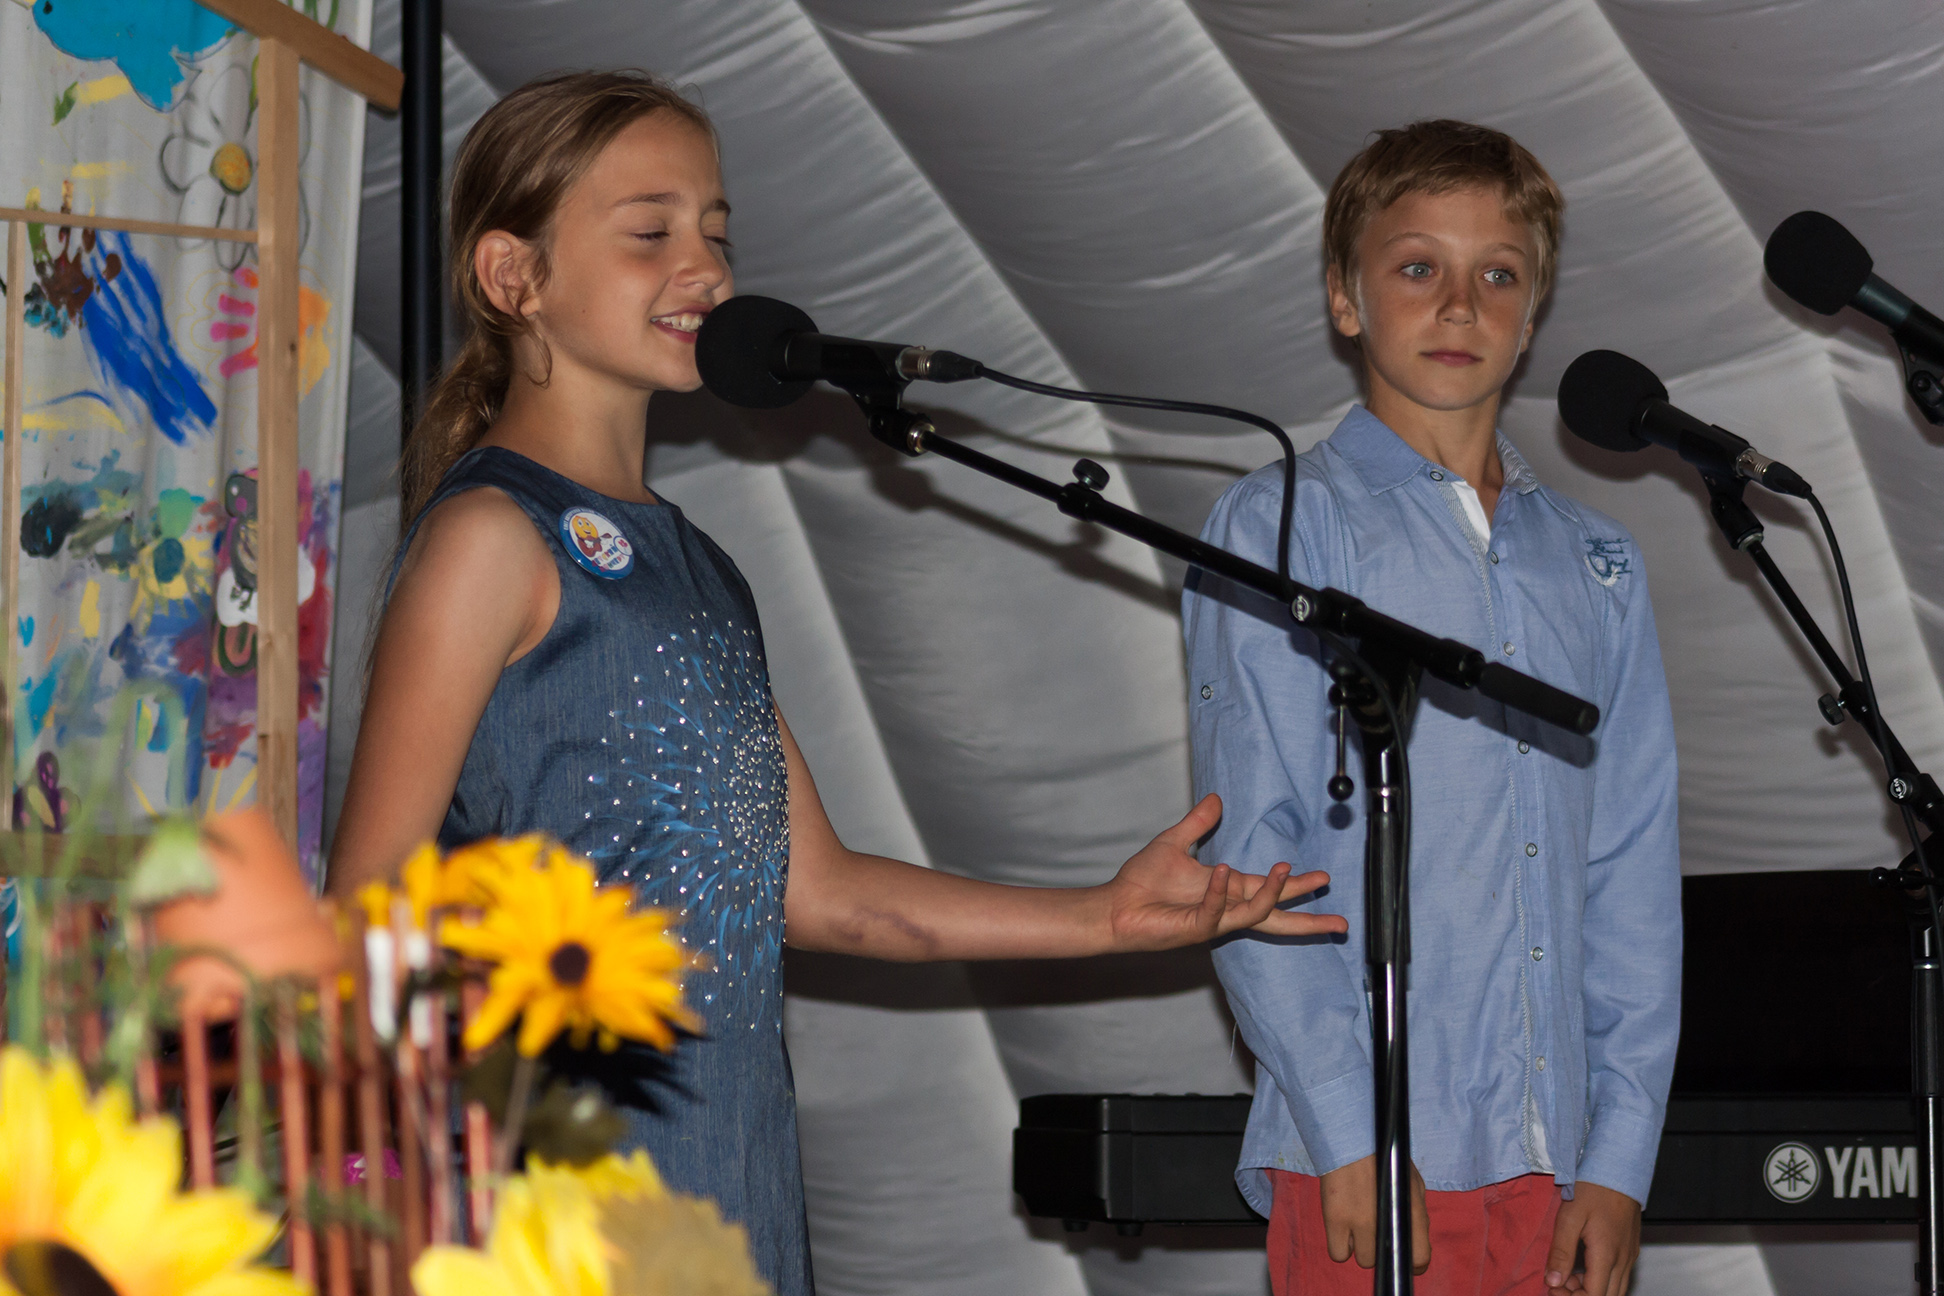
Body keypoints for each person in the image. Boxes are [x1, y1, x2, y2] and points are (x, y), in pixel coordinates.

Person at [326, 71, 1349, 1296]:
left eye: (717, 233)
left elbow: (824, 894)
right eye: (651, 231)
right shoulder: (493, 537)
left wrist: (1106, 918)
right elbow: (364, 912)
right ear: (513, 276)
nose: (704, 269)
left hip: (722, 1182)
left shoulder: (700, 567)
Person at [1183, 120, 1680, 1296]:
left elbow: (1631, 871)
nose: (1460, 305)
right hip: (1370, 1159)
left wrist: (1620, 1157)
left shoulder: (1597, 562)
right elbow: (1253, 858)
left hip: (1558, 1161)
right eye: (1418, 267)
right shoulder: (1282, 526)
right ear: (1343, 297)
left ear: (1534, 309)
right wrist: (1350, 1127)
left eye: (1497, 275)